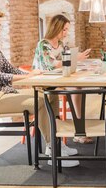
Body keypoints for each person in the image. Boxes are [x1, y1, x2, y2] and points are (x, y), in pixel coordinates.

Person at [0, 9, 65, 164]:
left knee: (50, 95)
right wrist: (27, 76)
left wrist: (32, 73)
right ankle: (53, 151)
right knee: (41, 102)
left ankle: (56, 144)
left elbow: (9, 69)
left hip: (5, 93)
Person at [32, 14, 92, 149]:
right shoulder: (43, 44)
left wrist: (75, 60)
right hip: (44, 81)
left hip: (57, 78)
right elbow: (51, 63)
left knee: (77, 89)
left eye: (67, 30)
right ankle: (78, 132)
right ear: (56, 27)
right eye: (64, 29)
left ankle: (79, 131)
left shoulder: (60, 44)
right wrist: (75, 58)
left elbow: (65, 62)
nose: (66, 33)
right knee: (76, 90)